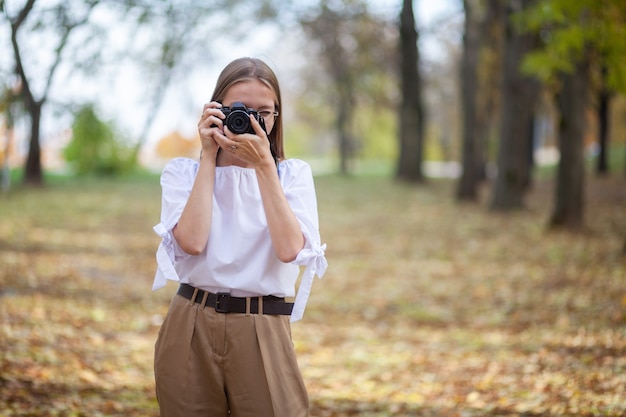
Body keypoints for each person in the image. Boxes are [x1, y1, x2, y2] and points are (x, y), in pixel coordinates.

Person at [151, 57, 327, 417]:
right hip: (191, 322)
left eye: (264, 112)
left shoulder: (292, 175)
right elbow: (192, 242)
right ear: (215, 109)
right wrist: (208, 156)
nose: (251, 121)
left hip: (263, 324)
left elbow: (290, 248)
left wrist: (264, 166)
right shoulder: (183, 172)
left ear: (277, 116)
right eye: (241, 110)